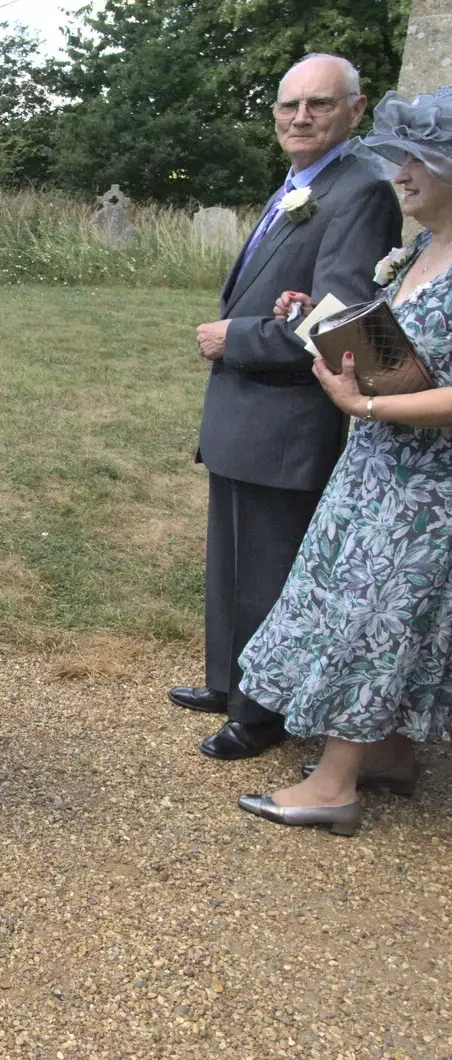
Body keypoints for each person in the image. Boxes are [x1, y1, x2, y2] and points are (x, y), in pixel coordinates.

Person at [171, 53, 402, 761]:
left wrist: (238, 335)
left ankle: (261, 712)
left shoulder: (359, 191)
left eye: (319, 104)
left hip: (289, 413)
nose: (300, 117)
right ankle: (227, 678)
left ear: (356, 112)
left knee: (270, 568)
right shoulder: (301, 183)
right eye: (288, 105)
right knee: (231, 559)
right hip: (244, 412)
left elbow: (348, 322)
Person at [236, 87, 452, 835]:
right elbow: (400, 349)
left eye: (417, 159)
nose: (401, 172)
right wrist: (321, 325)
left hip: (426, 488)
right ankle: (387, 752)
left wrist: (367, 406)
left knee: (376, 623)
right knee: (350, 608)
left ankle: (334, 787)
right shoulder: (423, 248)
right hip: (376, 469)